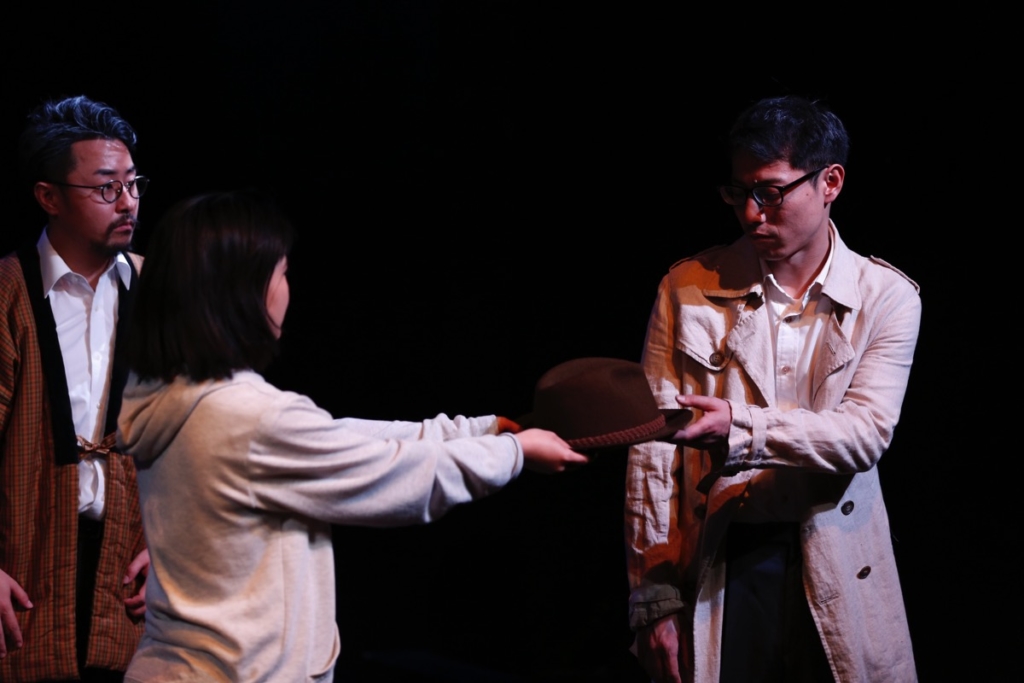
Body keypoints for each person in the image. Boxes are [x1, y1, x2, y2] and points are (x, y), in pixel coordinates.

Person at [116, 191, 588, 681]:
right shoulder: (248, 418)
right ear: (243, 291)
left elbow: (339, 439)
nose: (287, 290)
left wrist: (480, 430)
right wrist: (513, 453)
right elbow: (398, 477)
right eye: (282, 273)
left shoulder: (172, 392)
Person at [624, 96, 920, 682]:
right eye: (739, 193)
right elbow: (651, 456)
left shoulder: (887, 297)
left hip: (837, 549)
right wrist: (653, 597)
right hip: (723, 558)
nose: (751, 213)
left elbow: (864, 435)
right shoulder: (686, 287)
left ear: (830, 182)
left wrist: (741, 427)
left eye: (771, 192)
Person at [0, 96, 150, 682]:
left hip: (127, 570)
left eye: (133, 183)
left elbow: (200, 438)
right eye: (106, 187)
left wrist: (173, 548)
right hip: (27, 559)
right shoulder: (9, 293)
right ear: (49, 196)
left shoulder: (158, 292)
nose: (128, 201)